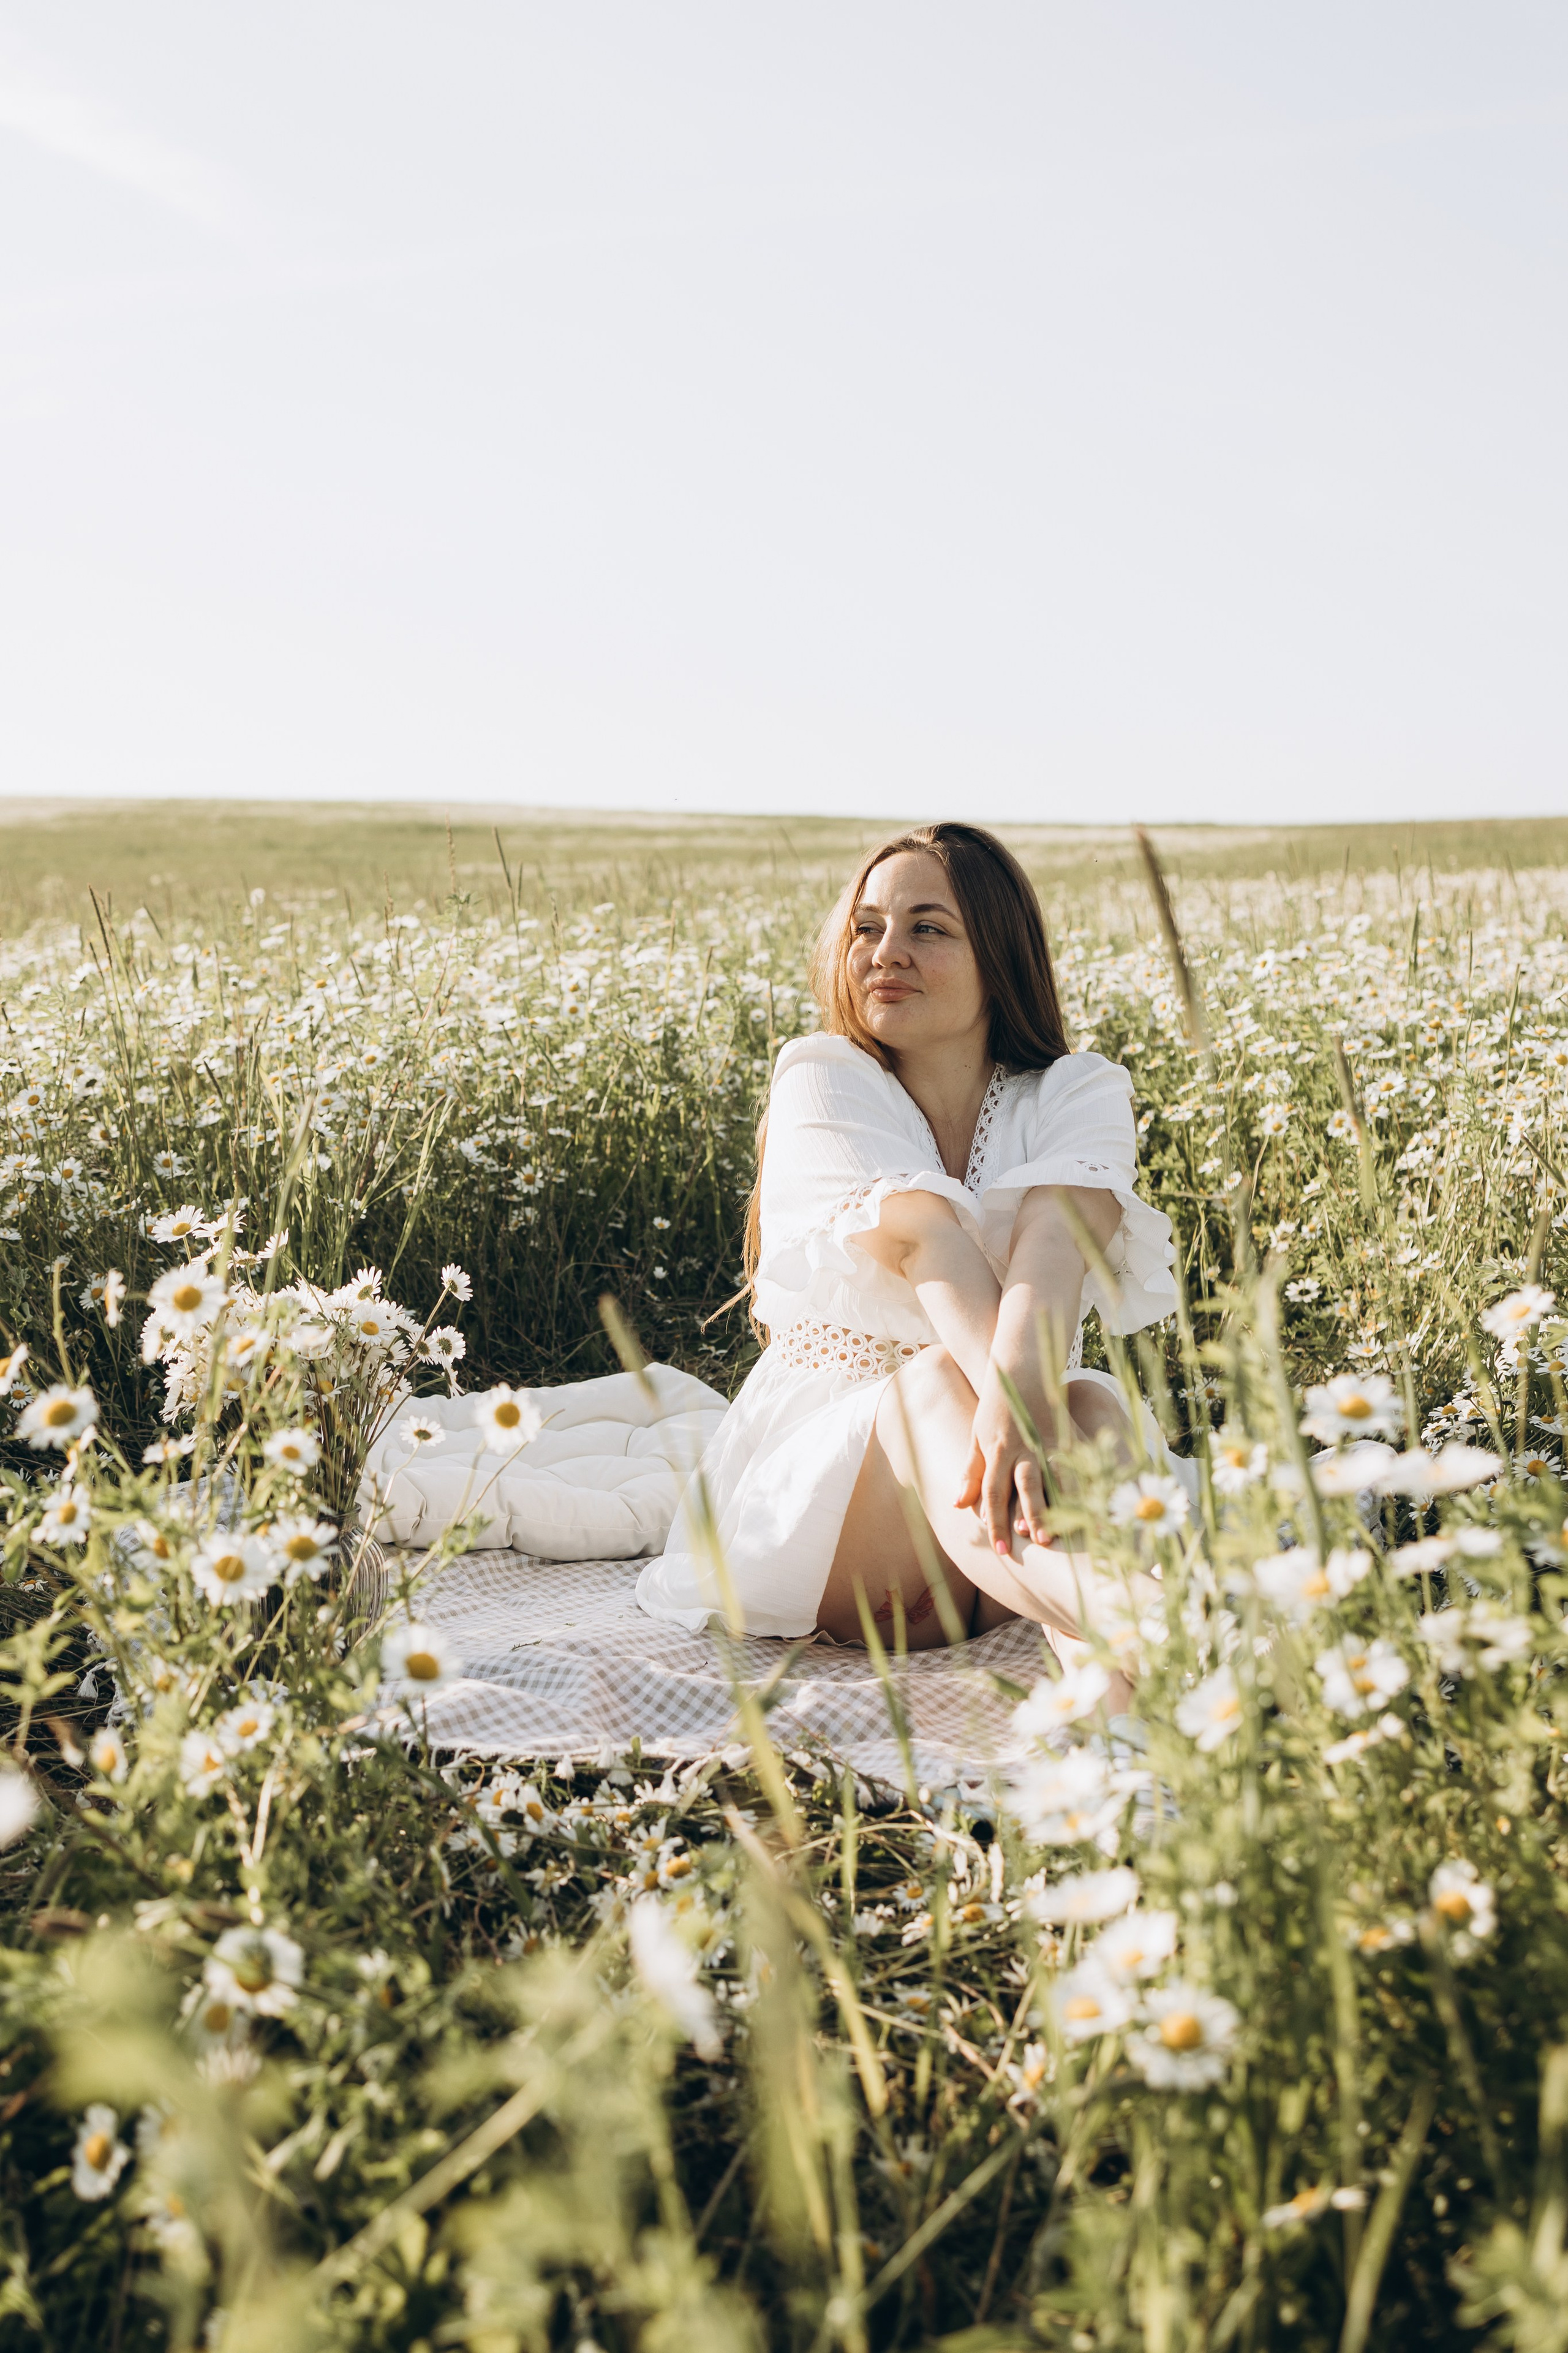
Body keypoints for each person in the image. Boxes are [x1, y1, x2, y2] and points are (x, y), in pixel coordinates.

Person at [636, 822, 1180, 1670]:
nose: (886, 951)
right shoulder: (821, 1074)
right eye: (867, 927)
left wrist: (1022, 1405)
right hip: (844, 1534)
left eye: (927, 927)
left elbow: (1054, 1249)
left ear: (1000, 956)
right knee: (930, 1380)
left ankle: (1121, 1706)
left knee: (1096, 1407)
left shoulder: (1081, 1090)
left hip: (1007, 1540)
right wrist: (1009, 1397)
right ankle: (1142, 1611)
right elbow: (928, 1243)